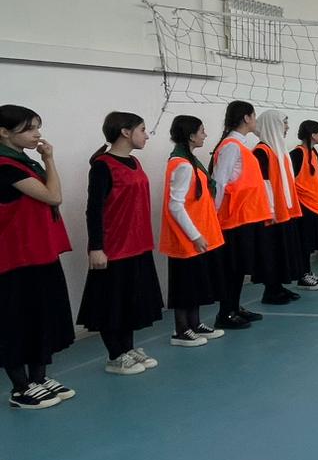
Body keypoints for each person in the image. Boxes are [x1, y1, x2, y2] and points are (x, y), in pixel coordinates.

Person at [0, 105, 76, 409]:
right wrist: (49, 160)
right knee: (16, 322)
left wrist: (45, 161)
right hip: (15, 259)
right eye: (29, 129)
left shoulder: (25, 163)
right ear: (4, 132)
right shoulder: (6, 167)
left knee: (42, 318)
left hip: (39, 254)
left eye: (37, 127)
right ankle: (20, 388)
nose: (37, 134)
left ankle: (39, 378)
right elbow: (53, 196)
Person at [79, 111, 165, 375]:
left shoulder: (135, 162)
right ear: (125, 132)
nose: (146, 135)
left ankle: (128, 349)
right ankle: (115, 355)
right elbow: (94, 210)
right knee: (112, 304)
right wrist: (96, 247)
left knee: (130, 302)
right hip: (114, 247)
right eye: (142, 129)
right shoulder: (102, 165)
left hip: (138, 244)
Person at [160, 115, 226, 349]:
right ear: (190, 135)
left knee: (195, 283)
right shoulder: (182, 165)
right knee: (184, 285)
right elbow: (175, 205)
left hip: (197, 233)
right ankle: (181, 330)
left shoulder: (189, 161)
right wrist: (195, 235)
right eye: (201, 131)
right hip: (186, 237)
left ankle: (195, 324)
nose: (205, 135)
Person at [210, 100, 272, 329]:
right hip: (234, 218)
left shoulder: (241, 145)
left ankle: (234, 307)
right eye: (254, 116)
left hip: (247, 216)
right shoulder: (231, 146)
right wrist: (214, 215)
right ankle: (225, 312)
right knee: (232, 268)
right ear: (246, 117)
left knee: (240, 267)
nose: (255, 121)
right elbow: (219, 182)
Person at [253, 110, 309, 305]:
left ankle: (278, 286)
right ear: (273, 124)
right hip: (272, 213)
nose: (287, 127)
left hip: (285, 210)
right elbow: (264, 184)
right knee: (272, 251)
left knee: (282, 251)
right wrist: (270, 210)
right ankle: (270, 290)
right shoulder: (261, 151)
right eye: (284, 123)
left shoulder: (280, 149)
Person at [289, 119, 318, 290]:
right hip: (303, 206)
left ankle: (307, 272)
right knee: (303, 244)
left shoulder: (313, 153)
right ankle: (302, 276)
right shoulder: (297, 154)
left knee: (309, 244)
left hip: (314, 205)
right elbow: (290, 180)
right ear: (313, 135)